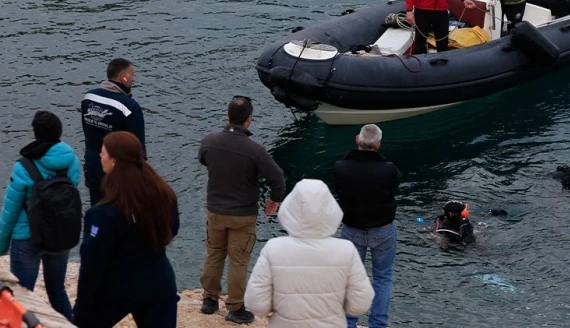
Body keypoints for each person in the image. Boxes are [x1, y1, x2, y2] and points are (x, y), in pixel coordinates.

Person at [73, 131, 179, 328]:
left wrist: (82, 307)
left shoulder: (103, 213)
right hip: (159, 278)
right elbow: (172, 229)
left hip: (118, 286)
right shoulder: (164, 195)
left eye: (102, 153)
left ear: (113, 161)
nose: (100, 157)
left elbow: (92, 265)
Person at [198, 96, 286, 324]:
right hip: (242, 214)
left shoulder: (209, 141)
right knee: (238, 261)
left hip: (215, 210)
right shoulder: (254, 150)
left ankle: (209, 299)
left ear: (228, 116)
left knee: (214, 253)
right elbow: (277, 179)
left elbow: (204, 161)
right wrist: (274, 200)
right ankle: (235, 307)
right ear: (249, 120)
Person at [244, 179, 375, 327]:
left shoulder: (273, 248)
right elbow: (360, 304)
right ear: (330, 210)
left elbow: (256, 303)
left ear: (290, 209)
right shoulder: (346, 250)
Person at [0, 111, 81, 320]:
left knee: (22, 297)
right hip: (59, 235)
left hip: (27, 239)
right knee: (57, 290)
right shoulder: (71, 161)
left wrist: (1, 245)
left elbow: (10, 210)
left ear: (35, 133)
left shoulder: (24, 166)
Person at [333, 124, 401, 328]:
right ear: (378, 145)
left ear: (357, 139)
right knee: (382, 277)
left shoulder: (340, 167)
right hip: (382, 230)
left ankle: (349, 322)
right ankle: (378, 324)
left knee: (351, 279)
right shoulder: (388, 169)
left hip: (352, 229)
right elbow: (396, 183)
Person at [82, 58, 145, 206]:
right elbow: (137, 150)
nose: (133, 78)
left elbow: (87, 131)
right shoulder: (130, 107)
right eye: (132, 74)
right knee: (119, 215)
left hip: (92, 164)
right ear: (124, 77)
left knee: (96, 210)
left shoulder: (89, 97)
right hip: (117, 173)